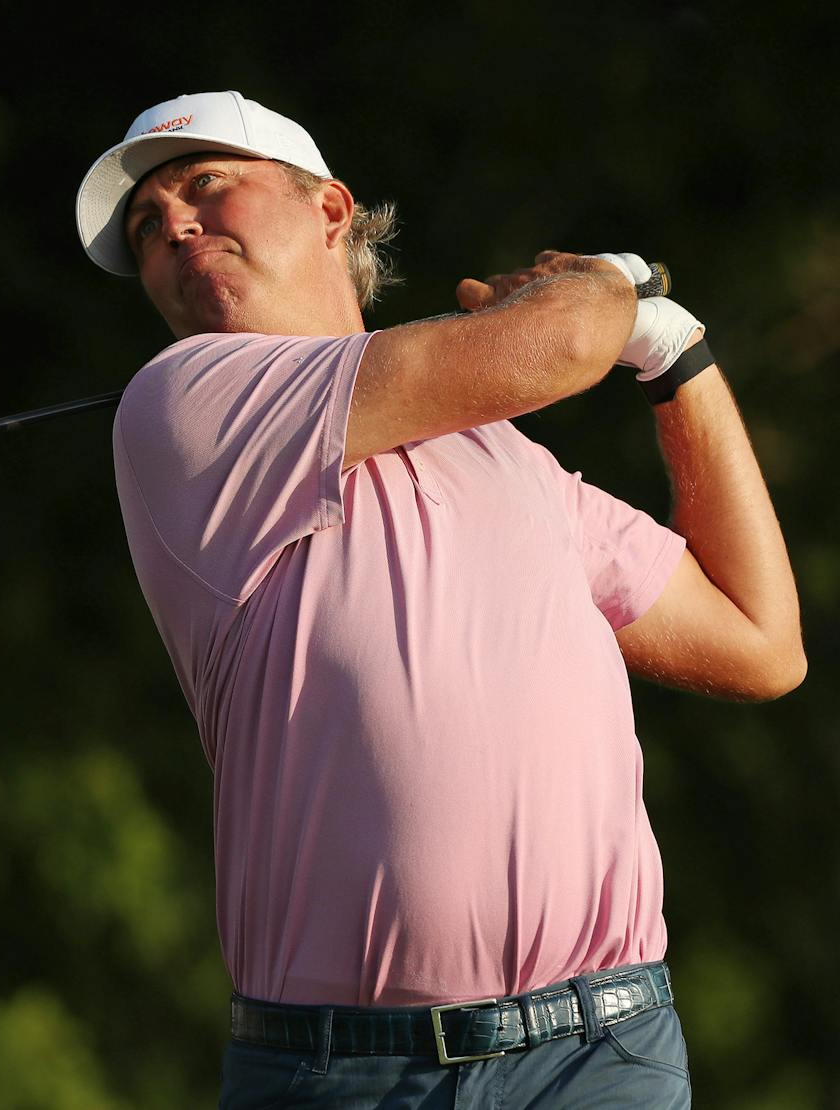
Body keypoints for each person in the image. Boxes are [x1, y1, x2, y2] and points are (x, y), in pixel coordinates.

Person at [75, 91, 806, 1108]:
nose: (174, 228)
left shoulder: (515, 464)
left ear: (330, 212)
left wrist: (671, 352)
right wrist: (603, 288)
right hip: (346, 1071)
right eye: (148, 230)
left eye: (202, 188)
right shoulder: (183, 399)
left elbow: (760, 642)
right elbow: (552, 345)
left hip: (603, 1050)